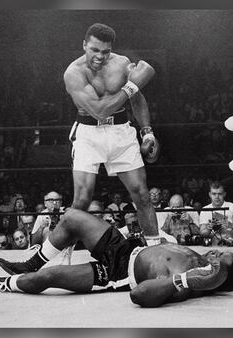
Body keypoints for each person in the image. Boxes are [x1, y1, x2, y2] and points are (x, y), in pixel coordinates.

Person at [0, 208, 233, 308]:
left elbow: (138, 296)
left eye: (217, 257)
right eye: (218, 250)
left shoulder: (189, 285)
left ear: (215, 273)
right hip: (126, 245)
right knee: (75, 217)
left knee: (45, 281)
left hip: (117, 273)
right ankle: (30, 260)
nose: (213, 250)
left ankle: (1, 284)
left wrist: (185, 281)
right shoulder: (225, 266)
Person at [63, 23, 160, 239]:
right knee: (82, 199)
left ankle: (155, 250)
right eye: (94, 50)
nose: (100, 56)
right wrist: (132, 85)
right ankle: (64, 253)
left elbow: (137, 99)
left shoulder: (122, 63)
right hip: (88, 133)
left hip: (121, 131)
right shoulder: (74, 73)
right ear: (84, 45)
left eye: (105, 52)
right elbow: (98, 111)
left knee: (142, 195)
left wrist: (147, 132)